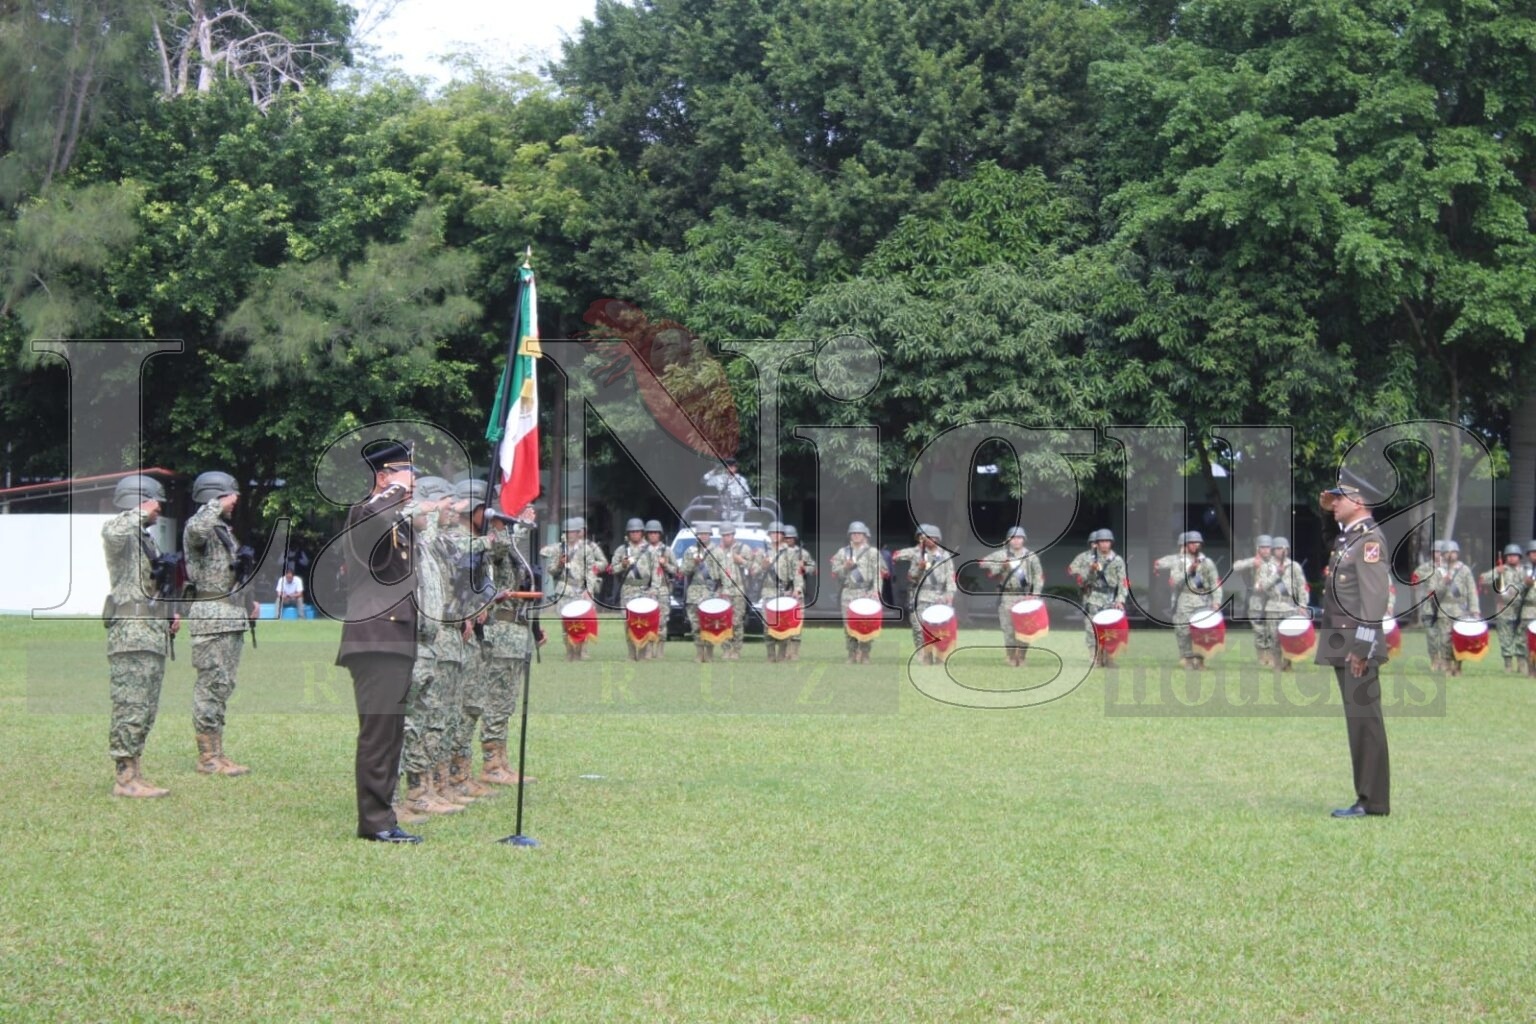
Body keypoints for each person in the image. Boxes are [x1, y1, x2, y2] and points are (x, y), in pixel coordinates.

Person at [336, 440, 422, 844]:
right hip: (375, 637)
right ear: (384, 476)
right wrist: (395, 491)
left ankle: (383, 813)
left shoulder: (395, 520)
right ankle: (374, 821)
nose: (414, 481)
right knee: (378, 733)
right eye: (407, 473)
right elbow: (371, 520)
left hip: (395, 638)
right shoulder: (363, 513)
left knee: (391, 733)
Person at [1317, 469, 1390, 818]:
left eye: (1339, 498)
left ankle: (1372, 801)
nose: (1334, 504)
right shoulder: (1350, 538)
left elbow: (1374, 600)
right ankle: (1368, 797)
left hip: (1356, 644)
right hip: (1342, 640)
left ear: (1359, 502)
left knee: (1365, 723)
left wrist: (1361, 649)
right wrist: (1324, 509)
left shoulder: (1370, 540)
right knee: (1357, 722)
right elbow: (1329, 536)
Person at [102, 473, 180, 798]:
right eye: (153, 500)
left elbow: (150, 585)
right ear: (137, 500)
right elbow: (113, 532)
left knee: (146, 707)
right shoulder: (118, 530)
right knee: (130, 705)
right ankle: (124, 779)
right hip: (130, 633)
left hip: (150, 632)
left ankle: (135, 771)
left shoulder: (146, 538)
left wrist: (169, 613)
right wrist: (139, 510)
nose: (159, 507)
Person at [182, 470, 260, 777]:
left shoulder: (224, 531)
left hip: (229, 615)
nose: (236, 500)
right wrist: (216, 503)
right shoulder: (199, 526)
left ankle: (218, 751)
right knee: (210, 685)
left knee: (223, 685)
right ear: (214, 496)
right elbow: (197, 529)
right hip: (211, 617)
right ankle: (207, 758)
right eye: (231, 494)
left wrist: (247, 601)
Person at [396, 477, 462, 822]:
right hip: (405, 645)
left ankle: (422, 792)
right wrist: (431, 508)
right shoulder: (395, 532)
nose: (449, 510)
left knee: (422, 722)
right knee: (401, 725)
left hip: (428, 644)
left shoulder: (422, 543)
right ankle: (395, 798)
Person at [481, 503, 538, 785]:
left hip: (515, 629)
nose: (506, 523)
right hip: (501, 629)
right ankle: (491, 764)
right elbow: (499, 550)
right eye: (501, 519)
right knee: (496, 699)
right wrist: (520, 527)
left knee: (506, 701)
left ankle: (501, 760)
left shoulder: (509, 546)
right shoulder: (489, 545)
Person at [540, 517, 607, 661]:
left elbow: (591, 570)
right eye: (567, 532)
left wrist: (589, 590)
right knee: (566, 622)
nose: (570, 534)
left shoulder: (587, 549)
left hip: (580, 588)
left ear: (579, 533)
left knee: (582, 622)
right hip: (564, 588)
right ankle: (569, 652)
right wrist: (559, 564)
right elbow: (551, 570)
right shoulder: (559, 549)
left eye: (573, 532)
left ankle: (581, 652)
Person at [983, 526, 1044, 667]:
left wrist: (1035, 594)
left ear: (1024, 540)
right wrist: (1001, 567)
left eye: (1019, 538)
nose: (1016, 541)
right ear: (1008, 540)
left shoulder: (1031, 556)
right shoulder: (1001, 555)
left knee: (1026, 628)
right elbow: (984, 563)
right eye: (1013, 538)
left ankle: (1022, 656)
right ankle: (1011, 657)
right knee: (1008, 628)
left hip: (1025, 596)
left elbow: (1038, 576)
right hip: (1007, 596)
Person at [897, 524, 957, 665]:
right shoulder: (917, 554)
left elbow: (950, 577)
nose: (930, 540)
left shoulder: (945, 555)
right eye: (926, 537)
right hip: (921, 595)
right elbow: (911, 577)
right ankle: (923, 654)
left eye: (933, 537)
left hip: (940, 596)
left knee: (940, 629)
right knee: (919, 628)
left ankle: (940, 656)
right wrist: (920, 567)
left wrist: (949, 595)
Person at [1069, 529, 1129, 666]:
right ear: (1096, 543)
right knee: (1092, 628)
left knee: (1110, 629)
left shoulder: (1117, 560)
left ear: (1111, 543)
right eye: (1101, 541)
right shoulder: (1089, 559)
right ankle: (1095, 657)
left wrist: (1120, 600)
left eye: (1107, 541)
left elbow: (1123, 582)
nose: (1104, 544)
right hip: (1093, 597)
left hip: (1111, 598)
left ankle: (1108, 657)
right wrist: (1091, 570)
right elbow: (1082, 579)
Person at [1169, 531, 1222, 670]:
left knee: (1202, 632)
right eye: (1191, 543)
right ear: (1185, 545)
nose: (1194, 545)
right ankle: (1187, 659)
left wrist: (1216, 601)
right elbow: (1174, 583)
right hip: (1185, 600)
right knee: (1183, 631)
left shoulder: (1207, 562)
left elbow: (1215, 583)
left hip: (1202, 600)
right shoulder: (1178, 563)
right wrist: (1188, 571)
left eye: (1197, 542)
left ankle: (1200, 660)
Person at [832, 521, 883, 664]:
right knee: (848, 625)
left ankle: (865, 654)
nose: (856, 535)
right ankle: (852, 654)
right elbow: (836, 572)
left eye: (859, 533)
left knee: (867, 625)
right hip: (848, 592)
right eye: (853, 533)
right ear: (850, 535)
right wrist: (845, 567)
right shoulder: (843, 552)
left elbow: (877, 574)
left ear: (864, 535)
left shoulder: (872, 552)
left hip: (866, 592)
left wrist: (876, 592)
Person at [1258, 537, 1310, 669]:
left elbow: (1301, 587)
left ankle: (1287, 664)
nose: (1282, 551)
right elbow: (1263, 586)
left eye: (1285, 548)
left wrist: (1302, 605)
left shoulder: (1294, 566)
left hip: (1289, 607)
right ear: (1273, 550)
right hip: (1273, 606)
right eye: (1279, 548)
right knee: (1274, 638)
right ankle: (1276, 664)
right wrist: (1277, 575)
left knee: (1289, 637)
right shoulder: (1265, 567)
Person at [1427, 540, 1476, 676]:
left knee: (1460, 640)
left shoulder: (1464, 570)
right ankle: (1447, 666)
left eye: (1453, 552)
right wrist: (1444, 583)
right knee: (1445, 640)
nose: (1450, 555)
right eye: (1447, 552)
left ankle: (1458, 666)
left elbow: (1472, 590)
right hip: (1444, 610)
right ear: (1442, 554)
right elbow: (1432, 593)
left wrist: (1474, 609)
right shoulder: (1438, 572)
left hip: (1461, 609)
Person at [682, 528, 731, 662]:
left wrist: (725, 591)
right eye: (700, 534)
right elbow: (684, 571)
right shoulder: (690, 551)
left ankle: (709, 653)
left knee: (709, 624)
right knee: (696, 625)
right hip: (694, 592)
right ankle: (699, 653)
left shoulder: (718, 552)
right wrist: (694, 563)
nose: (703, 536)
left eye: (705, 533)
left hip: (711, 592)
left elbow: (725, 572)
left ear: (710, 535)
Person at [612, 517, 656, 661]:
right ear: (628, 533)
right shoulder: (622, 550)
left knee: (644, 622)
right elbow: (612, 569)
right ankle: (631, 653)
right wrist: (622, 565)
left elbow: (656, 571)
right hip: (628, 589)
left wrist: (654, 590)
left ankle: (643, 653)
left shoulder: (650, 550)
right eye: (632, 532)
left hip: (645, 589)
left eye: (637, 531)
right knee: (628, 622)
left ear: (642, 533)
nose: (635, 534)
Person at [759, 522, 803, 663]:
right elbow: (753, 572)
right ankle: (770, 654)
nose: (775, 535)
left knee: (784, 625)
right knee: (767, 625)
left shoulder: (791, 553)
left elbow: (797, 573)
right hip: (768, 591)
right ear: (769, 534)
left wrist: (797, 588)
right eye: (772, 533)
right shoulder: (762, 552)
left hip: (784, 592)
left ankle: (782, 653)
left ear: (783, 535)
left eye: (778, 533)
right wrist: (762, 567)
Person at [1479, 544, 1525, 672]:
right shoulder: (1501, 570)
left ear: (1519, 557)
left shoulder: (1525, 571)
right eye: (1509, 556)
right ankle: (1508, 665)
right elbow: (1483, 580)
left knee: (1522, 637)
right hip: (1504, 608)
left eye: (1514, 555)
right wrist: (1495, 572)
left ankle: (1522, 664)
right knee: (1505, 637)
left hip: (1521, 609)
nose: (1511, 558)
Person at [1231, 535, 1275, 666]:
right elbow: (1236, 566)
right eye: (1263, 547)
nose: (1266, 550)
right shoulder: (1254, 561)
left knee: (1272, 629)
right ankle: (1262, 656)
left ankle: (1272, 656)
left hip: (1272, 600)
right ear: (1258, 548)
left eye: (1268, 547)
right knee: (1258, 629)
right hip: (1256, 599)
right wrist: (1252, 563)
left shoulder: (1277, 562)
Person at [717, 523, 755, 660]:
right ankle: (726, 649)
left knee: (737, 622)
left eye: (729, 535)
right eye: (724, 535)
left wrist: (741, 561)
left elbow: (754, 568)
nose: (726, 538)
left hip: (738, 591)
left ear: (733, 535)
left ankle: (736, 650)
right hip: (723, 591)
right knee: (723, 622)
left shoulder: (743, 548)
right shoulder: (718, 550)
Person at [785, 524, 814, 661]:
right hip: (783, 591)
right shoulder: (779, 552)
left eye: (791, 537)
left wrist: (805, 567)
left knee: (797, 621)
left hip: (797, 592)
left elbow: (813, 568)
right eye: (786, 537)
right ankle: (784, 651)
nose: (788, 539)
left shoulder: (802, 553)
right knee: (783, 622)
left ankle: (794, 652)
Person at [702, 456, 753, 520]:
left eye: (732, 467)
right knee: (724, 529)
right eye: (728, 466)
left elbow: (747, 495)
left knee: (740, 528)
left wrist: (748, 507)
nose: (730, 469)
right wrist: (714, 470)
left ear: (736, 468)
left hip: (738, 510)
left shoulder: (741, 480)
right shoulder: (719, 478)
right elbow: (704, 481)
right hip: (723, 510)